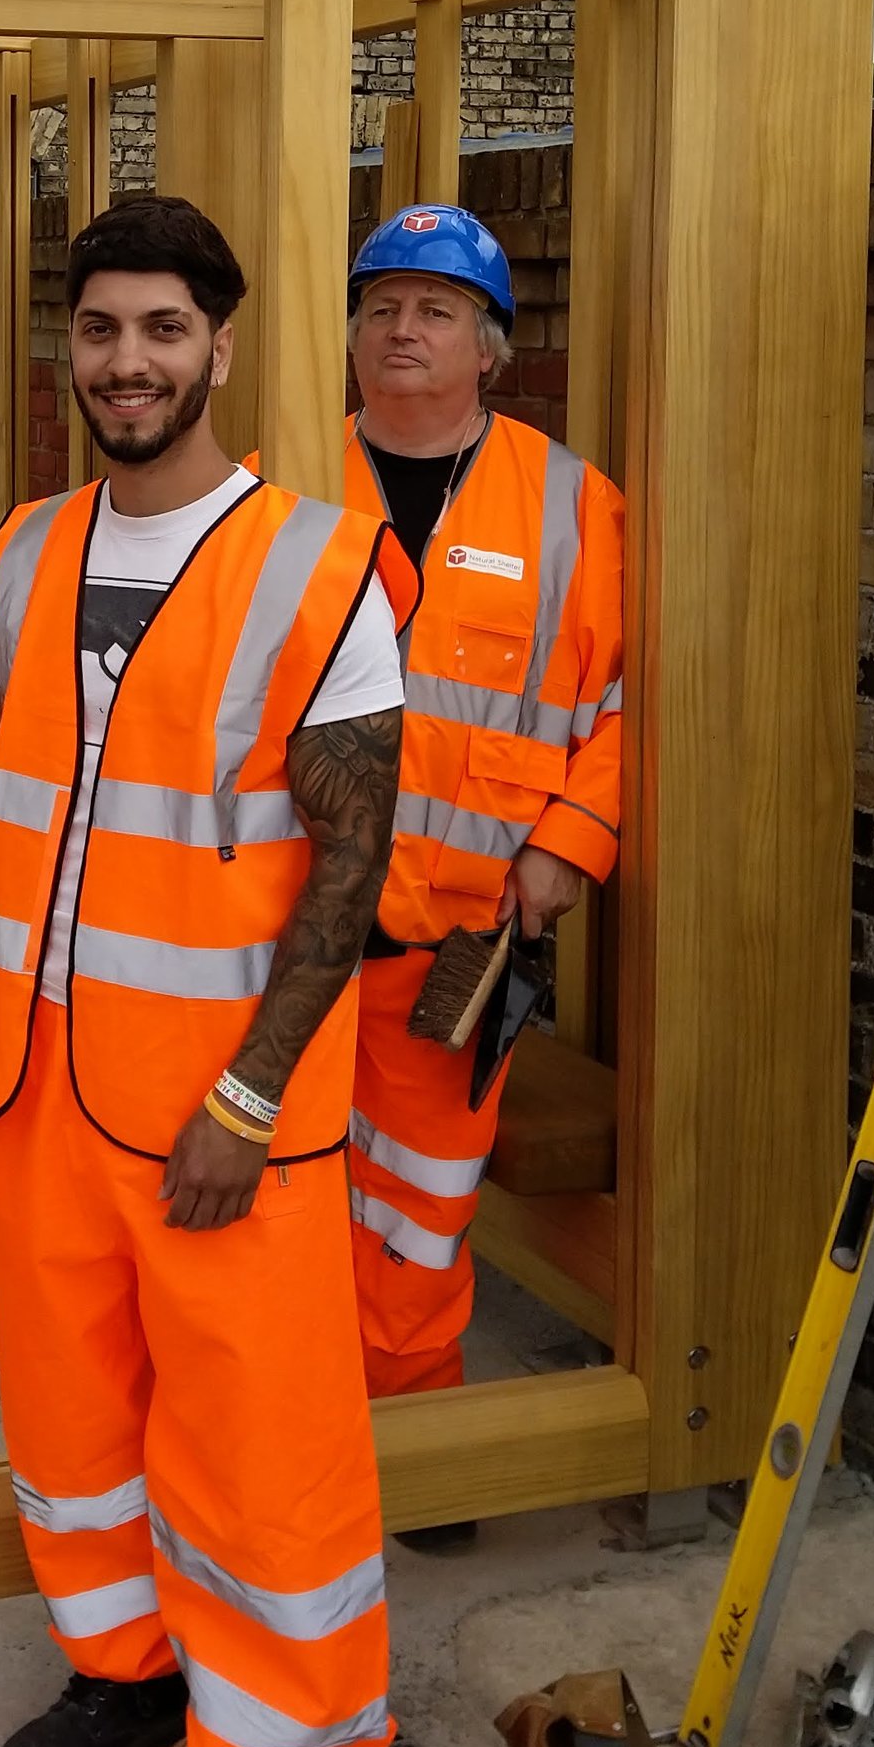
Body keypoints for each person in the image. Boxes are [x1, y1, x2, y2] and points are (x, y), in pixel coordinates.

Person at [0, 194, 407, 1747]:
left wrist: (257, 1089)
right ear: (71, 346)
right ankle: (125, 1670)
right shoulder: (29, 550)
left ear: (219, 344)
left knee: (264, 1454)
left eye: (164, 330)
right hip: (45, 1086)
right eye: (102, 327)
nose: (129, 360)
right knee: (67, 1413)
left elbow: (350, 865)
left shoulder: (319, 564)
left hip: (222, 1117)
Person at [339, 205, 624, 1486]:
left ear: (491, 348)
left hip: (455, 939)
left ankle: (418, 1460)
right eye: (382, 304)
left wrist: (569, 842)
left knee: (414, 1218)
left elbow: (622, 705)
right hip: (281, 927)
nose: (402, 329)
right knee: (272, 1202)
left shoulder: (572, 507)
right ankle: (296, 1441)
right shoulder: (281, 479)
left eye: (435, 309)